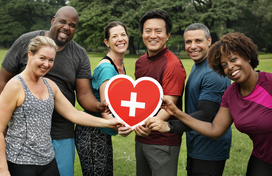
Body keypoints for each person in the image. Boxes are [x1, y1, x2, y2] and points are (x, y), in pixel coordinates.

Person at [0, 6, 108, 176]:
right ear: (53, 20)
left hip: (59, 134)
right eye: (63, 22)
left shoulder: (75, 58)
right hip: (22, 143)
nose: (67, 27)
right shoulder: (25, 44)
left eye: (72, 25)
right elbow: (2, 79)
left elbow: (81, 100)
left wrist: (100, 108)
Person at [148, 32, 272, 176]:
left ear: (247, 56)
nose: (230, 67)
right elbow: (215, 130)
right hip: (262, 158)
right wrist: (176, 114)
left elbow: (205, 113)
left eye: (233, 59)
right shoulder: (230, 94)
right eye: (224, 65)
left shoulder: (269, 84)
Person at [145, 23, 232, 176]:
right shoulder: (198, 65)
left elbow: (205, 114)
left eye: (198, 41)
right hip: (197, 145)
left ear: (209, 41)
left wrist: (169, 126)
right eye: (188, 42)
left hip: (209, 149)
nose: (193, 46)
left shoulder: (213, 73)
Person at [127, 9, 186, 176]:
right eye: (148, 31)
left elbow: (169, 105)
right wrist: (131, 122)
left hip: (163, 141)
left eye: (158, 31)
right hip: (141, 136)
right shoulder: (140, 62)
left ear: (167, 35)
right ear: (142, 34)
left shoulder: (172, 64)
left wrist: (144, 125)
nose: (152, 35)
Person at [75, 21, 129, 176]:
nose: (120, 39)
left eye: (123, 34)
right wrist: (123, 127)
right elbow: (106, 110)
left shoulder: (120, 63)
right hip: (92, 132)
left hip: (103, 130)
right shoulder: (107, 69)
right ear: (107, 42)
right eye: (114, 36)